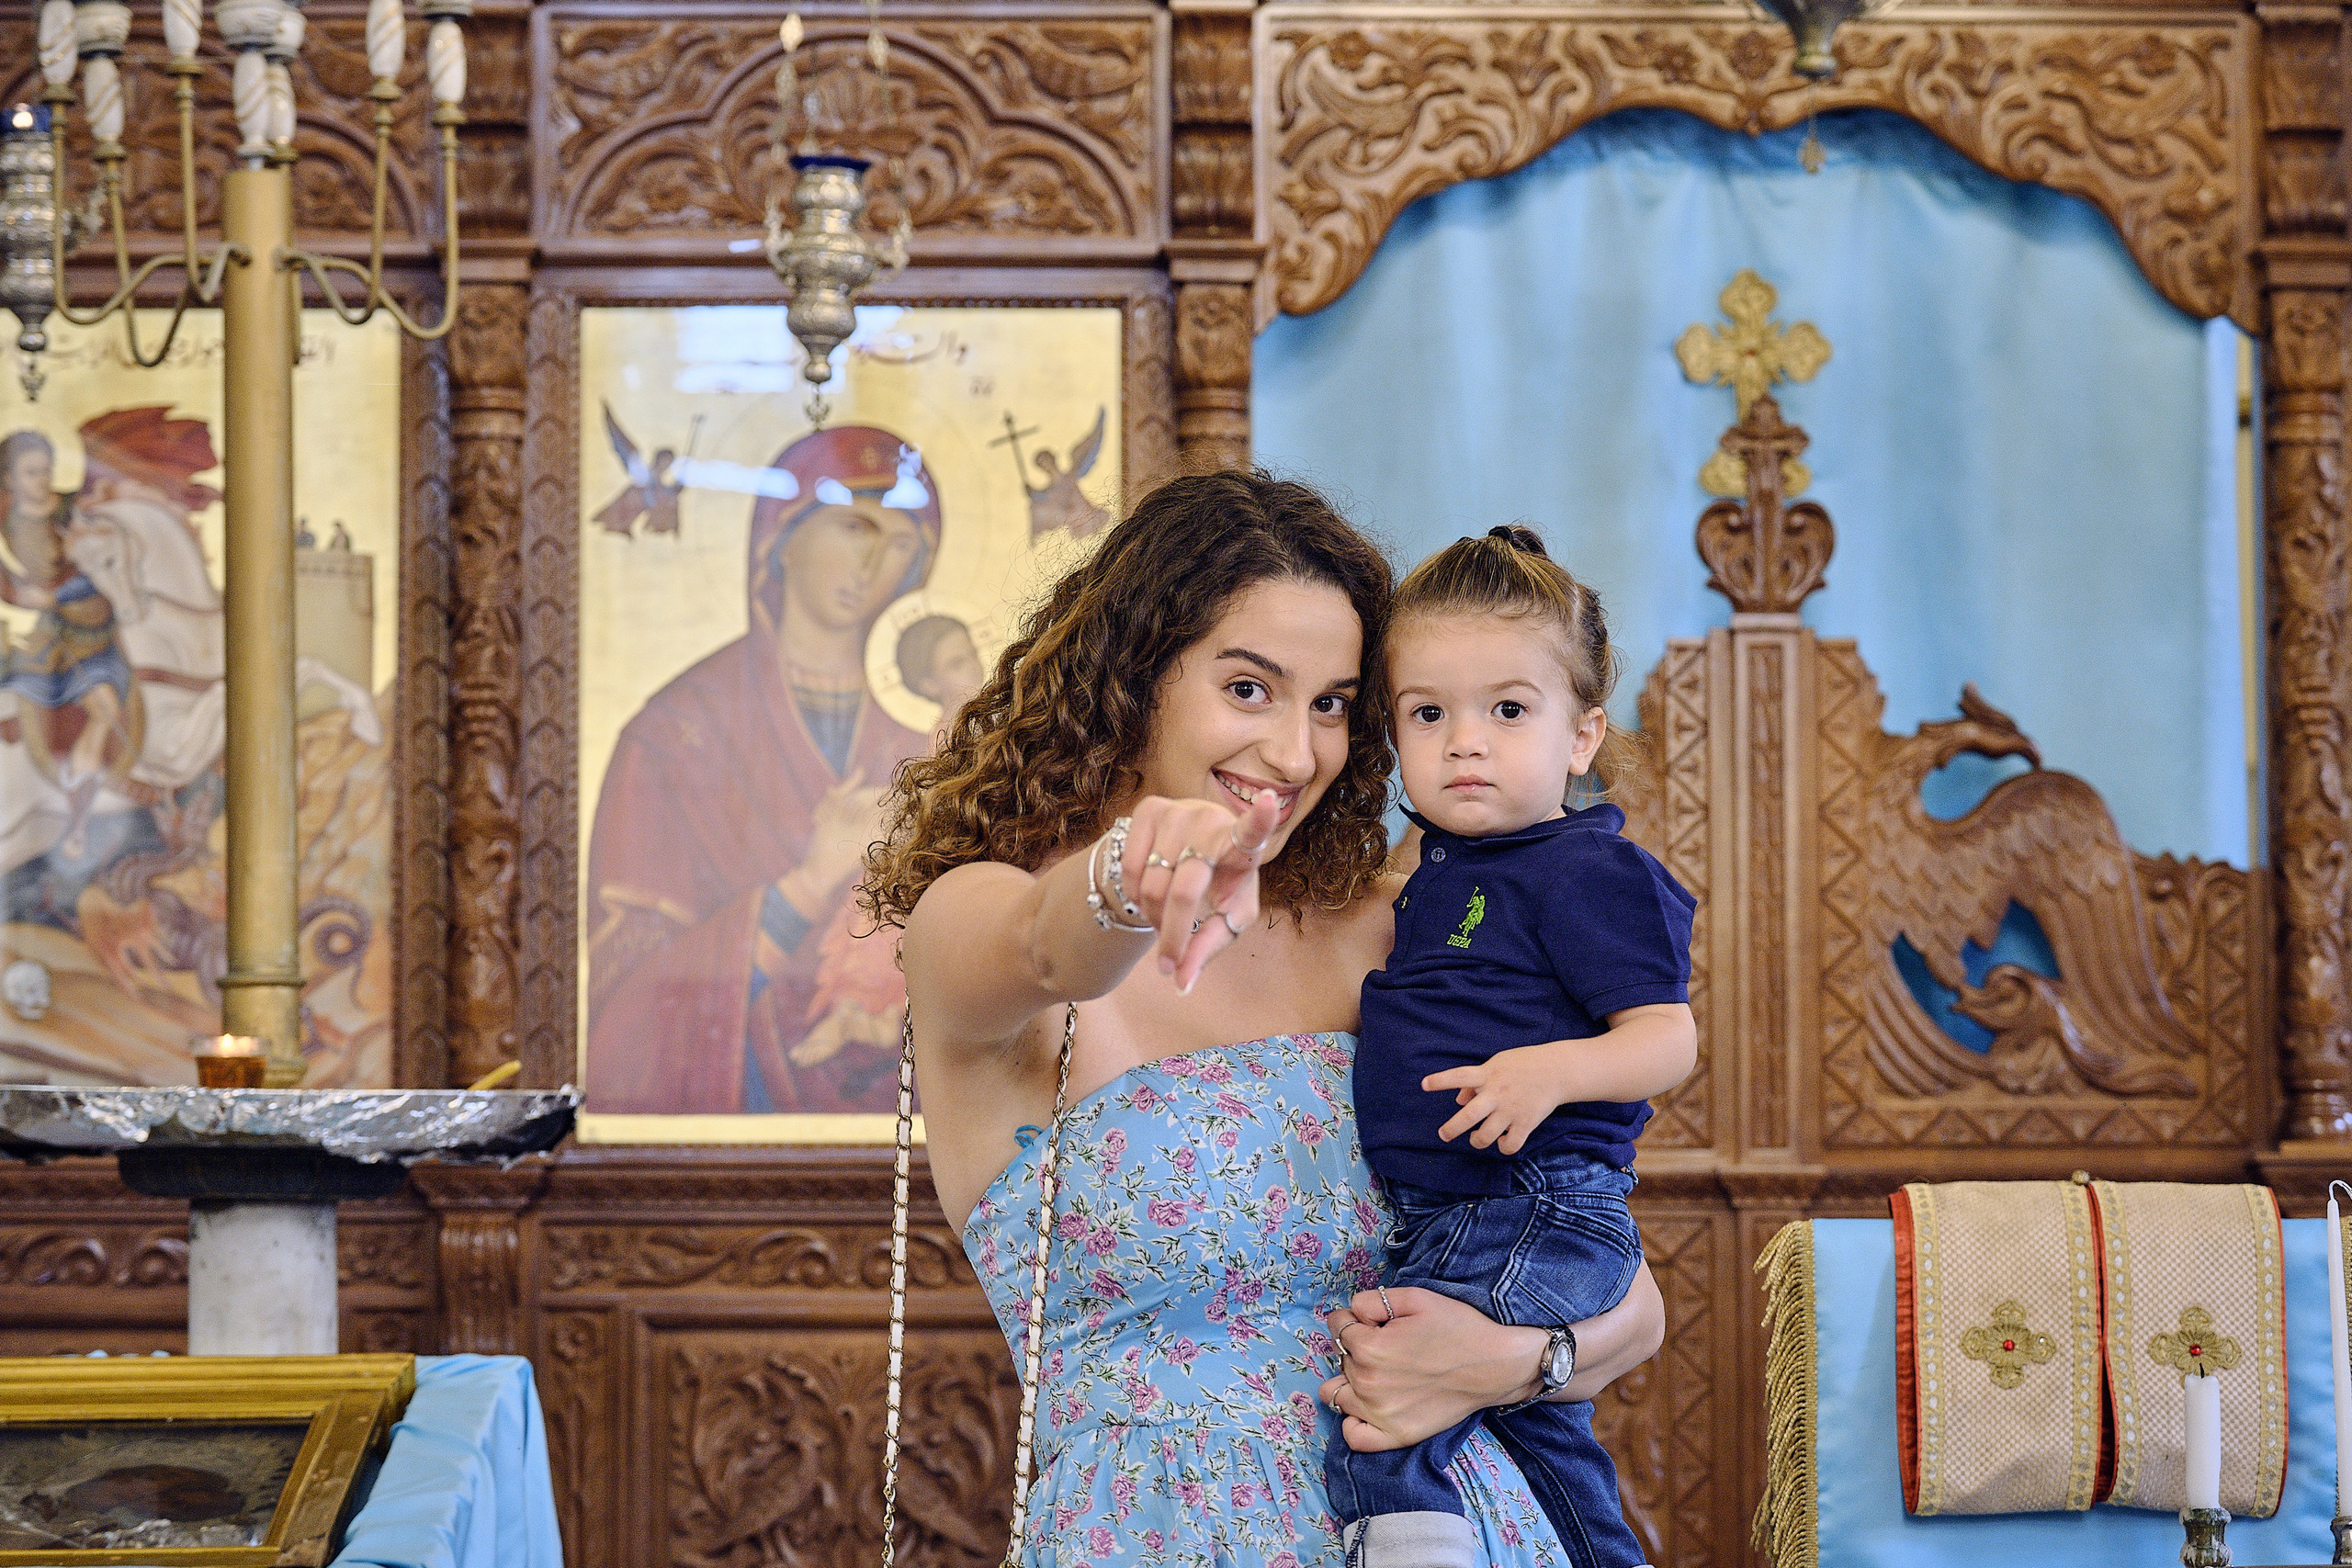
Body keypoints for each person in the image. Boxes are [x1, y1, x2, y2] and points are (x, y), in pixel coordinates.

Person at [865, 471, 1666, 1566]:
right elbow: (1043, 944)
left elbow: (1629, 1293)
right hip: (1157, 1534)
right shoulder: (979, 921)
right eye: (1250, 689)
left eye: (1331, 703)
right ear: (1132, 676)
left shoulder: (1394, 929)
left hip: (1454, 1525)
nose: (1296, 754)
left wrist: (1506, 1365)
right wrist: (1135, 876)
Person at [1328, 525, 1696, 1568]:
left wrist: (1551, 1071)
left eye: (1507, 711)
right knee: (1545, 1444)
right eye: (1428, 714)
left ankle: (1408, 1546)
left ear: (1580, 737)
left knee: (1384, 1400)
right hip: (1459, 1208)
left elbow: (1667, 1038)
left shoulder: (1586, 870)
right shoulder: (1440, 872)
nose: (1465, 742)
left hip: (1535, 1201)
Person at [584, 425, 942, 1113]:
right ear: (782, 534)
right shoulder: (675, 733)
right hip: (730, 1125)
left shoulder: (935, 737)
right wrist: (808, 884)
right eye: (853, 526)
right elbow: (624, 1001)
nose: (874, 562)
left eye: (900, 543)